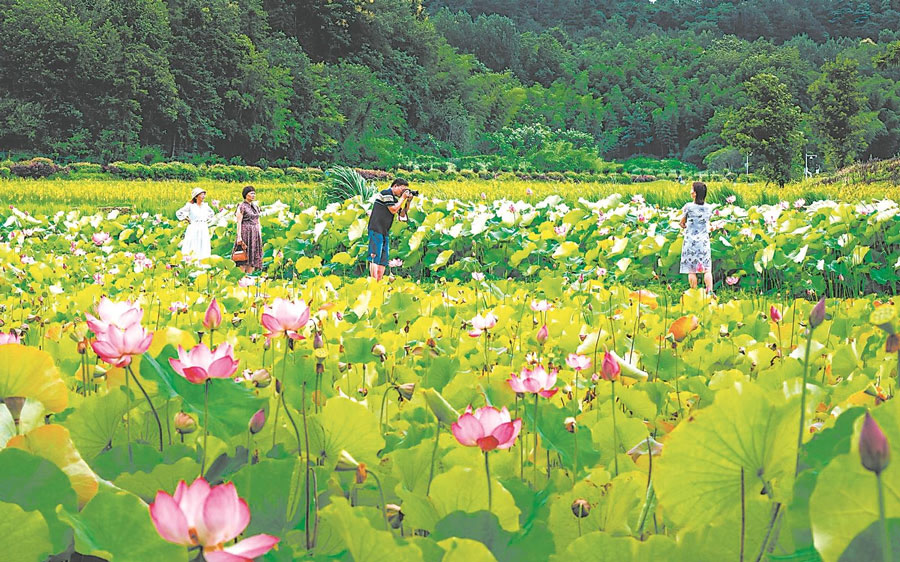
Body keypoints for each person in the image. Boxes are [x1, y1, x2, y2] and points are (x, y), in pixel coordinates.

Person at [366, 178, 413, 281]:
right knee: (374, 257)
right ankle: (373, 282)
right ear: (395, 186)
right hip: (376, 228)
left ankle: (379, 281)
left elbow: (402, 215)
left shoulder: (394, 200)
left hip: (385, 231)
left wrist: (408, 201)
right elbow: (393, 209)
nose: (403, 192)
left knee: (383, 259)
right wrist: (403, 198)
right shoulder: (386, 193)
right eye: (402, 189)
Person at [679, 181, 714, 298]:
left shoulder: (688, 207)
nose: (690, 192)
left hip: (690, 242)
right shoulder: (709, 208)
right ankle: (710, 293)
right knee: (707, 269)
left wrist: (686, 227)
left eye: (692, 190)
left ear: (695, 193)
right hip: (703, 242)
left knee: (691, 270)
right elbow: (708, 222)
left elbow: (681, 223)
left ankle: (694, 294)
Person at [175, 187, 215, 262]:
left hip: (203, 227)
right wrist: (186, 218)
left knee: (203, 243)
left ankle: (203, 262)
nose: (203, 196)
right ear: (196, 196)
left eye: (204, 194)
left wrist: (206, 219)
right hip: (193, 227)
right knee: (193, 243)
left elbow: (212, 213)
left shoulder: (205, 206)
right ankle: (191, 261)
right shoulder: (190, 206)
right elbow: (179, 213)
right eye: (201, 194)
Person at [233, 186, 262, 273]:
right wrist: (239, 237)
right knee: (243, 256)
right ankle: (242, 276)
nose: (253, 195)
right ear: (246, 195)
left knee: (252, 257)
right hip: (245, 233)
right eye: (251, 193)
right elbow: (239, 222)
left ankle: (250, 276)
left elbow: (258, 221)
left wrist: (259, 234)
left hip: (255, 234)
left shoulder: (256, 207)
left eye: (254, 193)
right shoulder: (241, 206)